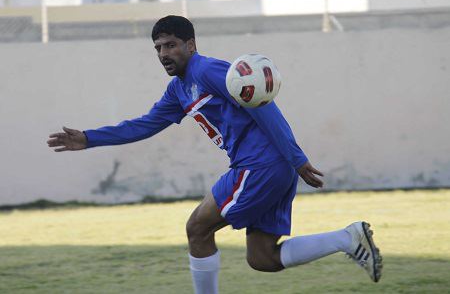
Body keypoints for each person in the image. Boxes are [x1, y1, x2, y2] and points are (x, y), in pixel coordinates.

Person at [47, 15, 382, 293]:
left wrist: (296, 158)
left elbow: (264, 108)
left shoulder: (208, 71)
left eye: (171, 45)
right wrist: (90, 138)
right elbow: (145, 125)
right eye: (158, 48)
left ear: (191, 45)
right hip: (268, 168)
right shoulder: (178, 89)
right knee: (262, 259)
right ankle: (347, 238)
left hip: (259, 166)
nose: (164, 53)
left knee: (197, 229)